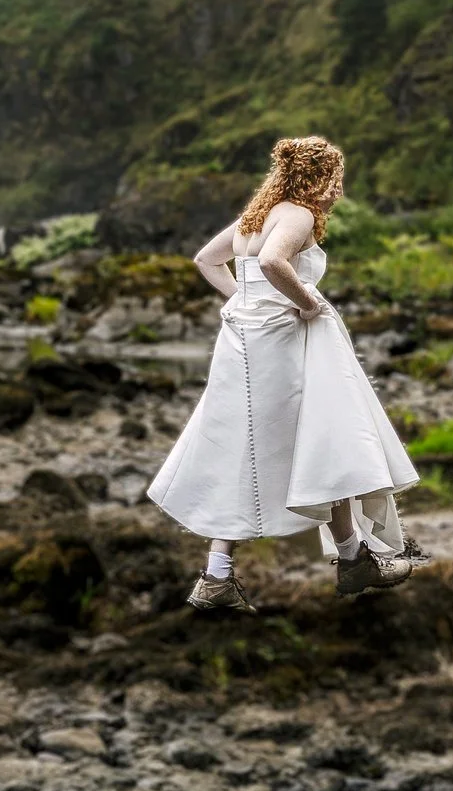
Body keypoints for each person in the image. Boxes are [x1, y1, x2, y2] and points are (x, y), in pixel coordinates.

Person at [146, 136, 420, 612]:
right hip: (284, 344)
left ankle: (220, 576)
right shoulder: (296, 214)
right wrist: (308, 303)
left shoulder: (257, 216)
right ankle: (354, 559)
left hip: (245, 343)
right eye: (337, 179)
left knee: (250, 449)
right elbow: (273, 263)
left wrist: (243, 302)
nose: (339, 191)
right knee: (323, 439)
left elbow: (206, 260)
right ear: (319, 177)